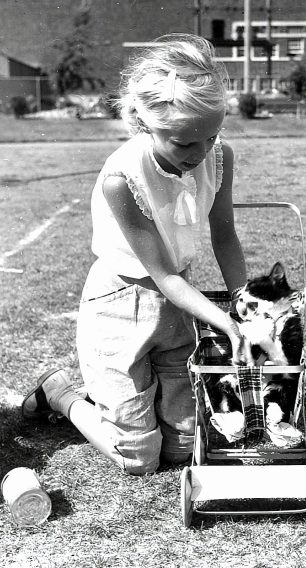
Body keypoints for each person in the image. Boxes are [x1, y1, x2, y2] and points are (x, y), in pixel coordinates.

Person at [21, 34, 253, 475]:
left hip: (177, 308)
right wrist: (223, 321)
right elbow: (164, 275)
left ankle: (124, 400)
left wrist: (244, 302)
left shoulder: (218, 156)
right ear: (144, 123)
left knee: (184, 447)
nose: (200, 152)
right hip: (119, 307)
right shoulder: (121, 178)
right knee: (138, 458)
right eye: (183, 142)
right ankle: (60, 393)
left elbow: (225, 236)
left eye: (211, 136)